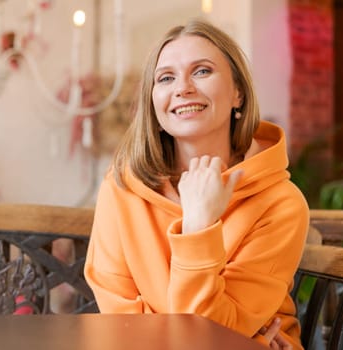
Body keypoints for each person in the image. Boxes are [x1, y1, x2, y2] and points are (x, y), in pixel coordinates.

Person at [84, 18, 308, 350]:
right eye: (166, 78)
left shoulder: (281, 204)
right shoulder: (121, 187)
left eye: (202, 71)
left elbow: (204, 335)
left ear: (238, 94)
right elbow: (121, 323)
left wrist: (199, 226)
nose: (183, 88)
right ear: (154, 103)